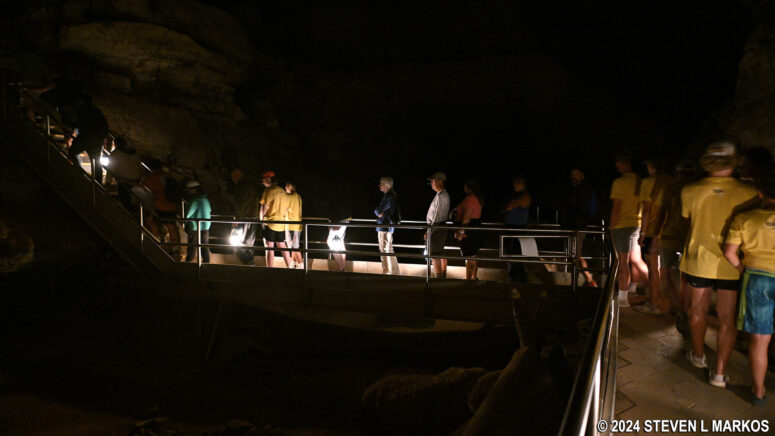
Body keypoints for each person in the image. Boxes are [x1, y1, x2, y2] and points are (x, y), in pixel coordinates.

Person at [681, 142, 758, 388]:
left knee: (697, 312)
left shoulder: (690, 190)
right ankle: (720, 373)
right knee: (727, 318)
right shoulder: (749, 192)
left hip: (698, 260)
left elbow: (688, 219)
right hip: (731, 263)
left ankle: (699, 356)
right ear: (733, 161)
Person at [723, 171, 775, 405]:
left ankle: (758, 392)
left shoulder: (745, 219)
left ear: (761, 192)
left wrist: (743, 268)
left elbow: (729, 253)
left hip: (757, 278)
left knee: (759, 341)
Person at [652, 161, 696, 331]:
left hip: (670, 237)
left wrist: (655, 236)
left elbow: (662, 214)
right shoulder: (696, 190)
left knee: (667, 276)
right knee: (686, 279)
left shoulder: (670, 188)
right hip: (689, 239)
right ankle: (686, 309)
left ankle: (680, 311)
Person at [635, 157, 675, 315]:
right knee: (668, 270)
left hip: (653, 230)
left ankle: (653, 304)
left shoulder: (648, 182)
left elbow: (646, 211)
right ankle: (674, 305)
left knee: (653, 269)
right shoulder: (672, 181)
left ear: (652, 166)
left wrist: (642, 233)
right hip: (671, 230)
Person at [609, 150, 649, 308]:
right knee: (637, 261)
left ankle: (623, 299)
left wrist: (611, 226)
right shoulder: (641, 181)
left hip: (622, 226)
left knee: (622, 263)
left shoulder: (619, 182)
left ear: (620, 164)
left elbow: (616, 208)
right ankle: (652, 291)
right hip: (637, 224)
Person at [566, 168, 599, 287]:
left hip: (579, 226)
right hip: (575, 226)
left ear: (582, 176)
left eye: (576, 174)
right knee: (574, 254)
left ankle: (589, 280)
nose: (573, 176)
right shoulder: (575, 190)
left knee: (576, 254)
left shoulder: (583, 190)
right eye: (572, 174)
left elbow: (581, 210)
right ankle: (581, 280)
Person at [67, 93, 109, 184]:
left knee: (71, 153)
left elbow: (80, 123)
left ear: (82, 101)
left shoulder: (81, 110)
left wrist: (69, 125)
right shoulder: (97, 111)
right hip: (97, 140)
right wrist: (104, 140)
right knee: (96, 162)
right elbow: (105, 126)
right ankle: (98, 183)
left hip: (85, 137)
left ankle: (80, 173)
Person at [140, 159, 180, 254]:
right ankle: (175, 247)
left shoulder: (154, 176)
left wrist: (125, 181)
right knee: (171, 226)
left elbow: (142, 186)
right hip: (172, 205)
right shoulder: (168, 176)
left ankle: (158, 239)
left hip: (160, 205)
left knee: (149, 219)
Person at [260, 171, 292, 268]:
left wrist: (261, 221)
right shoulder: (282, 191)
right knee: (282, 245)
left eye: (265, 179)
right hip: (281, 223)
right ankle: (289, 266)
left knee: (269, 247)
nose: (263, 181)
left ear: (270, 180)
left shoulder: (268, 191)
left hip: (270, 223)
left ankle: (270, 268)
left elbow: (264, 208)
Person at [503, 176, 531, 282]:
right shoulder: (518, 196)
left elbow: (508, 207)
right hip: (511, 228)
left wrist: (512, 204)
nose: (514, 185)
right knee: (512, 256)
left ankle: (515, 280)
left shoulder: (525, 196)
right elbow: (507, 207)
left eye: (516, 183)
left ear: (522, 184)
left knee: (515, 256)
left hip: (516, 229)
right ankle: (517, 280)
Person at [454, 180, 484, 280]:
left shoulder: (470, 199)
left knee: (469, 257)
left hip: (469, 232)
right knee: (473, 256)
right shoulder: (477, 199)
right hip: (475, 231)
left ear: (468, 187)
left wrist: (461, 232)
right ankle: (474, 277)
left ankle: (468, 280)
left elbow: (467, 216)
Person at [104, 137, 142, 212]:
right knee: (134, 197)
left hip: (124, 180)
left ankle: (128, 213)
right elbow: (139, 165)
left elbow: (111, 168)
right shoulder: (134, 152)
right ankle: (134, 211)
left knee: (125, 199)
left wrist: (108, 182)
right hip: (136, 179)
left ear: (115, 144)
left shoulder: (116, 153)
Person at [231, 168, 259, 265]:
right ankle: (249, 262)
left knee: (236, 242)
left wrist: (236, 219)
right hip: (254, 217)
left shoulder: (240, 187)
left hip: (244, 218)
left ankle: (248, 262)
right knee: (249, 243)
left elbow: (239, 204)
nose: (232, 179)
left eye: (233, 176)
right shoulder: (250, 186)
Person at [425, 172, 450, 278]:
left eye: (433, 181)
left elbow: (437, 216)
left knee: (435, 254)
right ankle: (442, 276)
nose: (431, 183)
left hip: (437, 227)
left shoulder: (441, 195)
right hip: (440, 227)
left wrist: (430, 230)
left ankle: (438, 279)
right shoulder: (442, 194)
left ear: (440, 181)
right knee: (440, 252)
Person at [374, 176, 400, 275]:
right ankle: (395, 272)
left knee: (383, 250)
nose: (380, 186)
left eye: (381, 184)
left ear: (386, 186)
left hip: (384, 225)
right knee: (389, 249)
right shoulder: (393, 195)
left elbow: (378, 211)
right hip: (390, 226)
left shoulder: (388, 196)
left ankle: (386, 273)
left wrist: (377, 211)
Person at [184, 180, 211, 263]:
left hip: (195, 226)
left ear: (193, 189)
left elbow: (188, 214)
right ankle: (206, 261)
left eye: (189, 189)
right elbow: (210, 210)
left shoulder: (194, 200)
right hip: (206, 226)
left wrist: (185, 221)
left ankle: (189, 260)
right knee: (204, 245)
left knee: (192, 244)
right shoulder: (205, 199)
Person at [284, 180, 303, 269]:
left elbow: (284, 209)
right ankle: (293, 263)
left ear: (290, 186)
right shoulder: (298, 196)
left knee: (295, 247)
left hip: (291, 225)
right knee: (293, 246)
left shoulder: (288, 197)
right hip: (297, 225)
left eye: (287, 186)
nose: (285, 188)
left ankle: (301, 265)